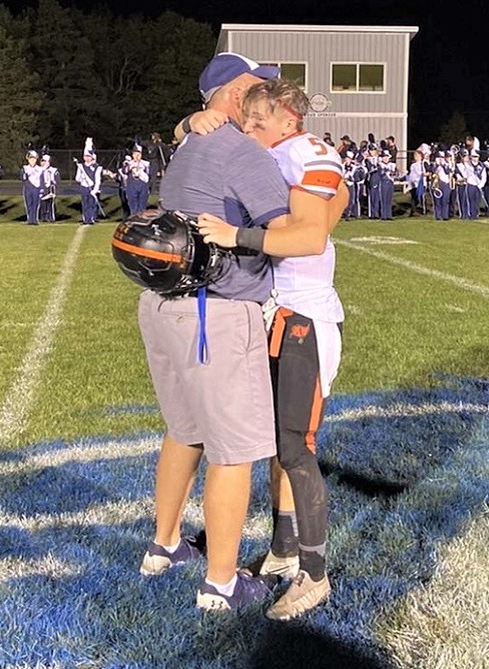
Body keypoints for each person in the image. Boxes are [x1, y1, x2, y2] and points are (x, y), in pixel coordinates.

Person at [135, 52, 291, 612]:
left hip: (163, 305)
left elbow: (190, 131)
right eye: (257, 88)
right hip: (216, 312)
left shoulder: (189, 143)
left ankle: (166, 544)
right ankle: (222, 584)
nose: (268, 98)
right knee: (235, 449)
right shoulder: (239, 150)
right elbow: (290, 227)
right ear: (230, 98)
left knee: (185, 431)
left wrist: (187, 120)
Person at [194, 77, 347, 620]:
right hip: (282, 310)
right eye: (248, 121)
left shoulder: (304, 150)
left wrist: (238, 237)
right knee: (279, 445)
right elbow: (340, 198)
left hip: (303, 316)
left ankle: (315, 573)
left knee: (296, 449)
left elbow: (309, 238)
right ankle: (284, 550)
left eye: (260, 122)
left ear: (288, 118)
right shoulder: (288, 148)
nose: (250, 131)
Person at [74, 138, 102, 225]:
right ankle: (86, 219)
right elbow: (77, 179)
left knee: (92, 204)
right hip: (84, 187)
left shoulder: (97, 167)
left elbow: (98, 180)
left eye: (89, 156)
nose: (87, 158)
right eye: (85, 156)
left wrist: (95, 190)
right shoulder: (81, 166)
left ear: (92, 157)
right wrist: (82, 177)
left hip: (92, 188)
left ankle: (91, 218)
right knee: (85, 204)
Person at [120, 144, 150, 217]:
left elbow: (149, 175)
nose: (137, 156)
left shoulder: (146, 164)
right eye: (135, 154)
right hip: (132, 186)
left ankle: (141, 220)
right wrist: (130, 166)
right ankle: (134, 219)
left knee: (142, 206)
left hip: (142, 186)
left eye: (138, 154)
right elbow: (124, 171)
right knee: (133, 206)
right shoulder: (129, 163)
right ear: (132, 155)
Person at [22, 147, 43, 225]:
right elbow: (22, 178)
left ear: (36, 160)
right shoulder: (25, 168)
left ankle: (35, 219)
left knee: (36, 204)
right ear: (28, 159)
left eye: (34, 159)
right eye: (31, 159)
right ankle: (30, 219)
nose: (32, 161)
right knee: (29, 204)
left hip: (36, 188)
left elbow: (42, 179)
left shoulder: (40, 169)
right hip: (28, 188)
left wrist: (42, 189)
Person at [40, 152, 59, 222]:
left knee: (50, 204)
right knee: (42, 204)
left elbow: (57, 180)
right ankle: (43, 218)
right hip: (42, 189)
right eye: (42, 161)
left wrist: (53, 182)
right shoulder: (38, 170)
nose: (44, 163)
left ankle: (51, 217)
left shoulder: (53, 170)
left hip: (50, 189)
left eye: (46, 162)